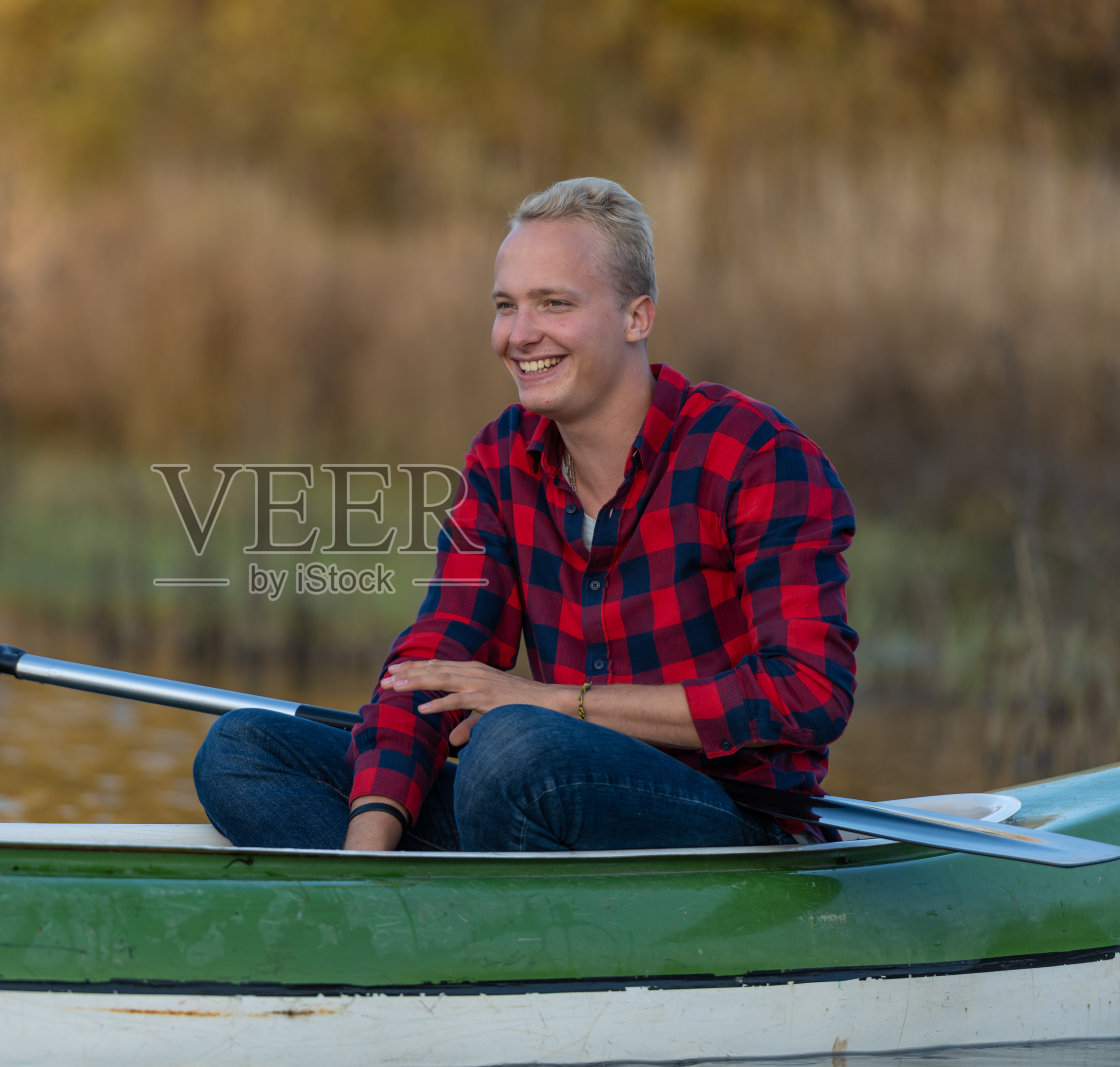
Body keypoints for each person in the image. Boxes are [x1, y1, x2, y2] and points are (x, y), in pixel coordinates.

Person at [194, 177, 857, 852]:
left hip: (729, 824)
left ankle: (467, 913)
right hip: (531, 797)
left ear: (638, 317)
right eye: (506, 305)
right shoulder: (502, 458)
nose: (518, 334)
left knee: (510, 745)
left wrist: (557, 702)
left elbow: (808, 692)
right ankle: (394, 918)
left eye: (553, 304)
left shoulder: (754, 455)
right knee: (242, 750)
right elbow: (435, 663)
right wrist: (366, 856)